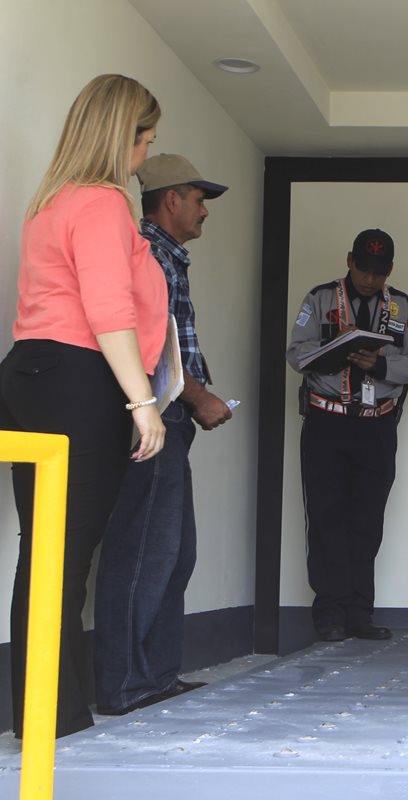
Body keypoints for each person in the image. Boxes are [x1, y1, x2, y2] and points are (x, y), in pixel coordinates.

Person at [0, 74, 166, 738]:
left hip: (33, 374)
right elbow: (109, 312)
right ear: (119, 135)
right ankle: (54, 720)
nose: (147, 156)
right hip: (78, 379)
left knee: (43, 551)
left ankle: (39, 712)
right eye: (145, 140)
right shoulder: (101, 204)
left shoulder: (51, 202)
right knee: (65, 557)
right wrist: (143, 402)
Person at [92, 155, 232, 715]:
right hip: (155, 417)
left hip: (169, 418)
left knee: (174, 552)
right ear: (171, 200)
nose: (204, 211)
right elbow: (151, 346)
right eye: (199, 199)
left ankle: (154, 675)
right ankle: (124, 683)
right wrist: (198, 397)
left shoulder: (169, 256)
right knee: (144, 548)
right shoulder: (148, 253)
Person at [286, 229, 408, 642]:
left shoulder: (401, 305)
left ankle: (359, 614)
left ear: (390, 271)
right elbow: (296, 353)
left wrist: (380, 367)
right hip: (327, 421)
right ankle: (328, 613)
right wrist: (336, 356)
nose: (370, 280)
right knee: (326, 517)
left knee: (367, 520)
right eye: (364, 269)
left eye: (379, 273)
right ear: (350, 261)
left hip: (377, 423)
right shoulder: (320, 300)